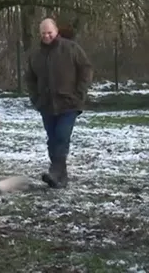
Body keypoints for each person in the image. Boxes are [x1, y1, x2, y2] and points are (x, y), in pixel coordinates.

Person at [25, 18, 93, 189]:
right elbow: (30, 79)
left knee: (62, 136)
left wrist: (79, 93)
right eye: (43, 33)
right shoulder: (35, 55)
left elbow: (86, 69)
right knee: (53, 139)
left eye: (50, 32)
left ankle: (55, 172)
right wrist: (36, 98)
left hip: (69, 103)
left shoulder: (71, 48)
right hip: (46, 105)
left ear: (56, 31)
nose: (47, 36)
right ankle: (60, 177)